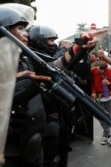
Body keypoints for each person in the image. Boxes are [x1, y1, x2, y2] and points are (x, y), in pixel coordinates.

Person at [28, 24, 106, 166]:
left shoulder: (54, 54)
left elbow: (67, 63)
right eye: (50, 41)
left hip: (62, 114)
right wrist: (68, 48)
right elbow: (54, 64)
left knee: (62, 152)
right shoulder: (29, 57)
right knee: (48, 157)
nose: (53, 44)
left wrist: (83, 46)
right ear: (39, 41)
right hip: (43, 116)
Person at [0, 4, 50, 167]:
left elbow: (54, 68)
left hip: (29, 143)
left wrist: (78, 49)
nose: (26, 34)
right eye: (20, 28)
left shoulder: (25, 60)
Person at [91, 57, 111, 146]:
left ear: (107, 61)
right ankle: (110, 135)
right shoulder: (94, 71)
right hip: (98, 97)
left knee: (108, 117)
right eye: (100, 60)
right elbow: (91, 83)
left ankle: (104, 136)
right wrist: (93, 92)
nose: (102, 62)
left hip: (109, 97)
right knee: (101, 117)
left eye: (104, 60)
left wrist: (109, 83)